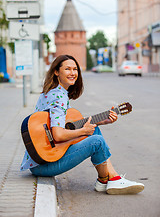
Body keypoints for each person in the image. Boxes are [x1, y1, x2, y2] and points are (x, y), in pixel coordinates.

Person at [20, 54, 144, 195]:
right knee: (96, 141)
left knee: (94, 130)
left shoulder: (50, 92)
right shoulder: (59, 97)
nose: (73, 73)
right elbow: (58, 135)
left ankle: (107, 179)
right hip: (45, 164)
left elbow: (62, 125)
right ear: (56, 72)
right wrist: (84, 131)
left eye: (75, 69)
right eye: (67, 69)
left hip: (37, 160)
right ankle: (108, 179)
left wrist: (102, 121)